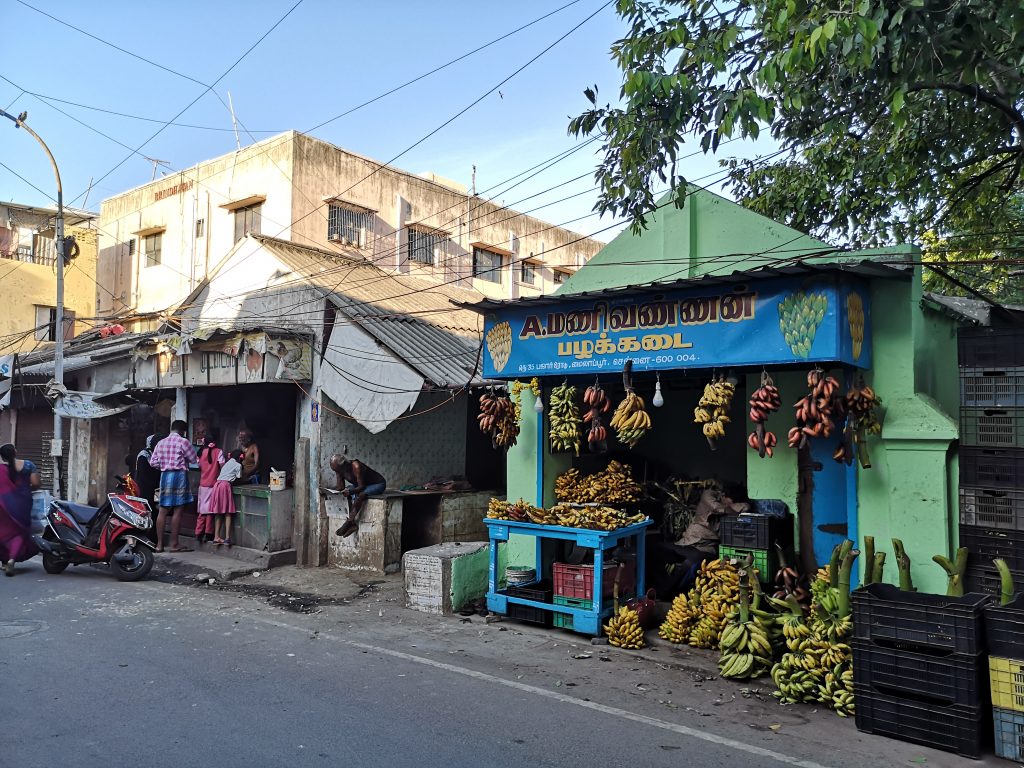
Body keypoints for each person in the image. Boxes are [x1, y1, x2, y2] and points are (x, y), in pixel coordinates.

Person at [149, 420, 199, 553]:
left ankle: (159, 545)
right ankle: (174, 544)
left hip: (165, 476)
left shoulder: (161, 443)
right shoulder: (183, 442)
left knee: (162, 510)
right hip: (179, 476)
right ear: (183, 431)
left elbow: (153, 463)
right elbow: (194, 459)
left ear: (172, 429)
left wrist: (165, 465)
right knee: (178, 509)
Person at [0, 443, 41, 576]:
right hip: (24, 504)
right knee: (20, 532)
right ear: (15, 452)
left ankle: (5, 561)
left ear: (2, 457)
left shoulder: (1, 469)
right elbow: (35, 484)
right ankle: (12, 559)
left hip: (5, 506)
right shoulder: (29, 465)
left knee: (5, 533)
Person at [330, 454, 386, 538]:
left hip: (377, 484)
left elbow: (361, 487)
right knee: (347, 495)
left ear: (344, 464)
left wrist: (350, 491)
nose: (337, 472)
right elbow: (340, 487)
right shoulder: (339, 469)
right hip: (360, 485)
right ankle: (352, 524)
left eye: (338, 470)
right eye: (336, 471)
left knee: (361, 495)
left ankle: (349, 521)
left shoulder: (356, 466)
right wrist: (330, 492)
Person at [209, 450, 243, 547]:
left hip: (217, 485)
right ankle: (227, 538)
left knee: (218, 513)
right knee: (228, 512)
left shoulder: (227, 463)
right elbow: (239, 477)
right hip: (225, 486)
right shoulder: (238, 465)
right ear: (240, 457)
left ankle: (216, 537)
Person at [195, 430, 225, 544]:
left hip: (203, 485)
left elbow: (198, 465)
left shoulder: (201, 453)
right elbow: (222, 466)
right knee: (211, 510)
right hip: (214, 485)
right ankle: (208, 533)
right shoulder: (219, 452)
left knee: (202, 510)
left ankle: (198, 533)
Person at [134, 434, 163, 506]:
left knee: (156, 509)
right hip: (144, 488)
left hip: (156, 488)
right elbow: (142, 476)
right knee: (146, 508)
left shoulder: (158, 455)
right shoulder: (143, 455)